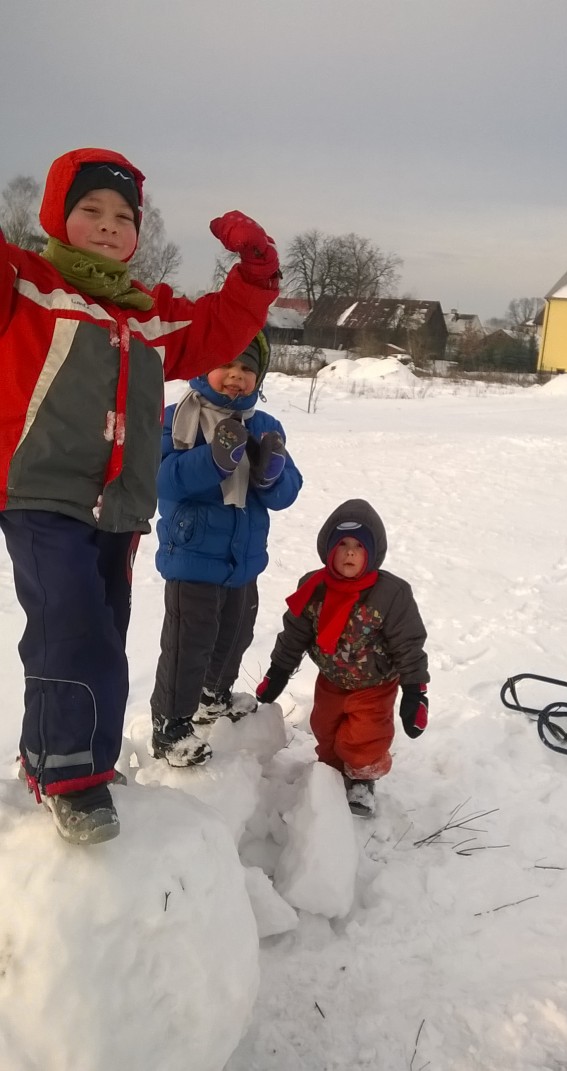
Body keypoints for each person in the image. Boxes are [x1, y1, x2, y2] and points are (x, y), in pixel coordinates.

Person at [0, 145, 280, 844]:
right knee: (71, 624)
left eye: (123, 216)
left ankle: (61, 758)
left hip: (118, 506)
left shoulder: (149, 316)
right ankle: (72, 774)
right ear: (56, 217)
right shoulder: (27, 285)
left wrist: (255, 272)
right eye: (89, 209)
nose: (107, 224)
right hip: (40, 490)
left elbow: (219, 327)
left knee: (102, 631)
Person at [150, 329, 302, 766]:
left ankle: (211, 696)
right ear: (204, 367)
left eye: (248, 369)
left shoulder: (265, 426)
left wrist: (272, 475)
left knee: (236, 632)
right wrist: (213, 460)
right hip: (193, 555)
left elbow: (287, 492)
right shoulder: (176, 417)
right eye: (227, 365)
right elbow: (161, 478)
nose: (236, 377)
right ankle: (170, 726)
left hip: (243, 559)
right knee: (187, 644)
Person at [255, 499, 429, 817]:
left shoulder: (391, 595)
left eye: (358, 546)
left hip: (375, 684)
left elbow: (409, 645)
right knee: (325, 727)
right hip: (332, 679)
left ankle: (362, 779)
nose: (349, 553)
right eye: (343, 544)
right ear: (329, 549)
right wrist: (278, 671)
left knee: (365, 736)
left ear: (372, 553)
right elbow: (294, 634)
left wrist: (416, 691)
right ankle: (333, 773)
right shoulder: (313, 587)